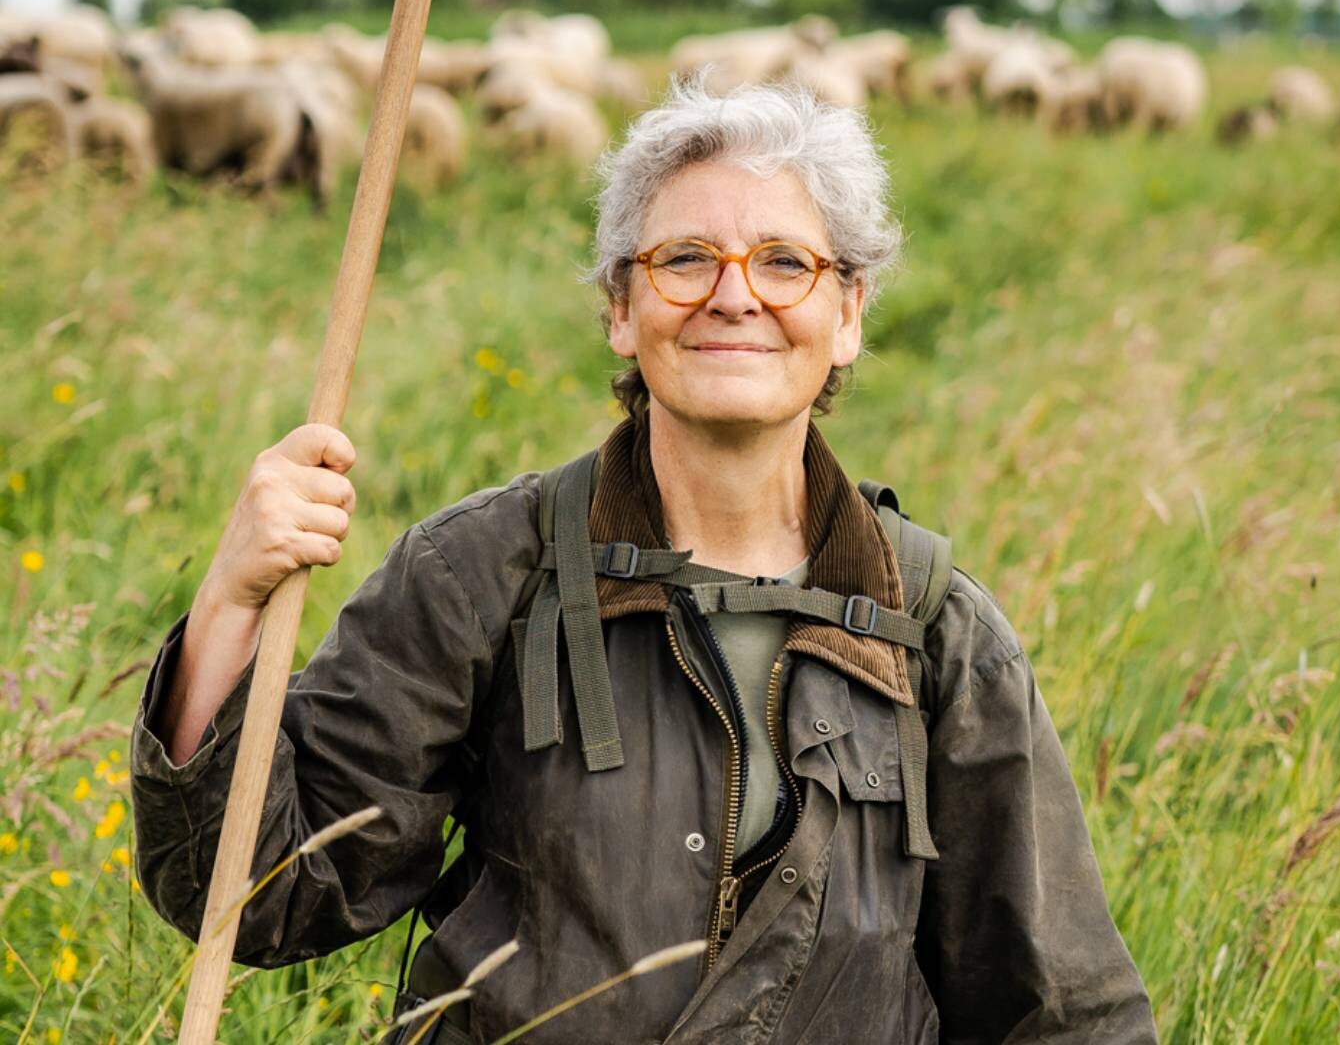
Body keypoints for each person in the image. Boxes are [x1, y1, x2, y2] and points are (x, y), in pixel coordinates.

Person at [131, 78, 1158, 1044]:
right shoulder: (482, 573)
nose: (733, 295)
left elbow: (1058, 1009)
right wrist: (233, 596)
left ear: (847, 315)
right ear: (622, 308)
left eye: (786, 262)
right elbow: (257, 896)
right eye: (684, 259)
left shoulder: (932, 629)